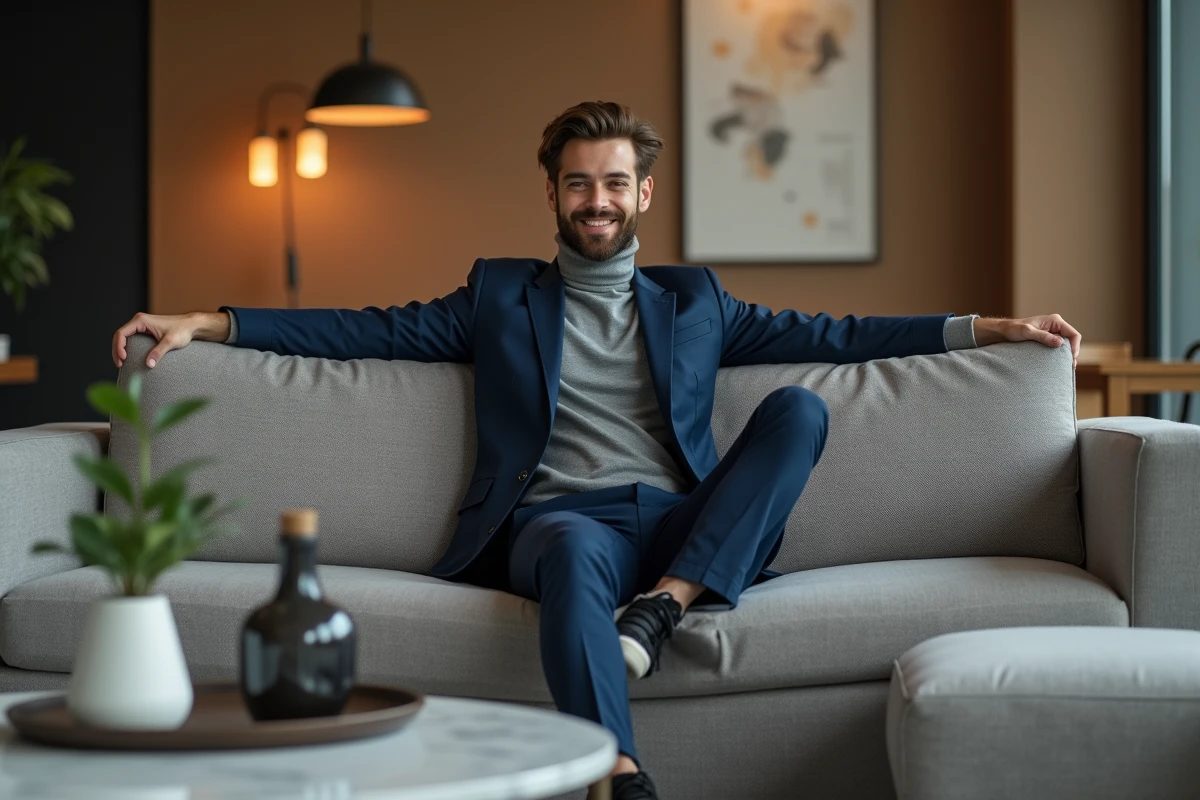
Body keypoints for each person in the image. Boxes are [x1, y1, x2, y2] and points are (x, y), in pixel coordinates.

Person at [112, 101, 1081, 800]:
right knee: (574, 552)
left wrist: (983, 325)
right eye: (579, 181)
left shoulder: (695, 300)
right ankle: (613, 771)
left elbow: (835, 335)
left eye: (615, 181)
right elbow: (366, 328)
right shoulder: (498, 296)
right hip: (553, 522)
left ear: (642, 190)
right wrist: (214, 319)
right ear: (552, 191)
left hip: (673, 523)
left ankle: (666, 607)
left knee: (799, 407)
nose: (598, 198)